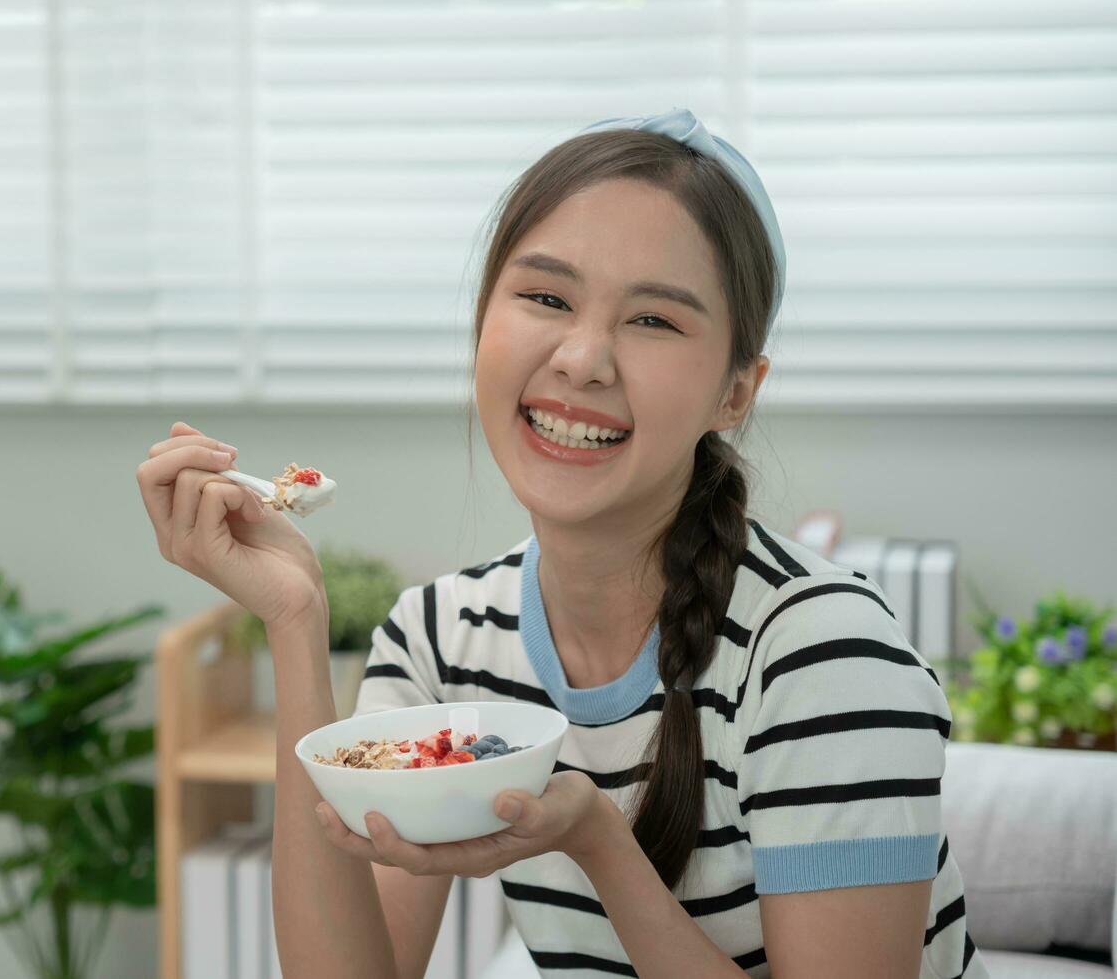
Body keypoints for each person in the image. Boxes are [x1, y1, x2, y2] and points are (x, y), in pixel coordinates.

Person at [136, 107, 986, 978]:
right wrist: (295, 622)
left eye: (654, 320)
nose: (583, 358)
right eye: (546, 297)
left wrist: (598, 843)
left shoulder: (826, 658)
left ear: (737, 391)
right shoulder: (439, 637)